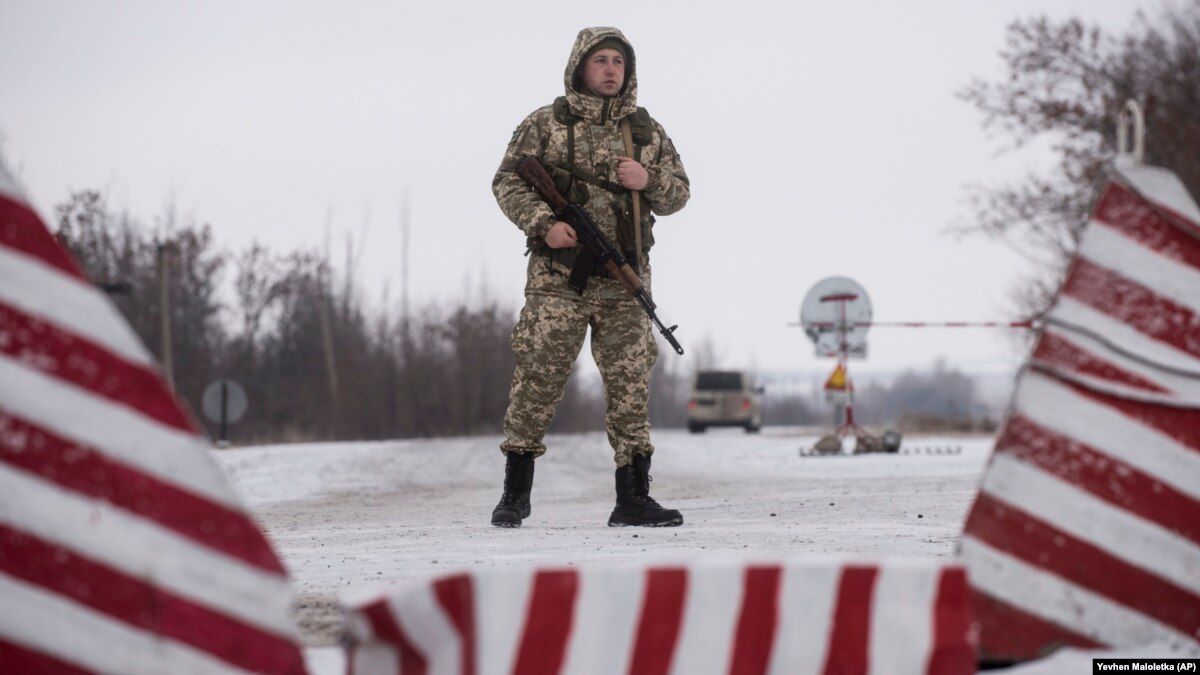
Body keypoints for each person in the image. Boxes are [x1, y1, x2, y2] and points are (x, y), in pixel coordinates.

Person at [490, 27, 690, 528]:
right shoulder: (546, 123)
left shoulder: (647, 133)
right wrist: (544, 225)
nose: (609, 70)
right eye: (600, 60)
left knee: (629, 386)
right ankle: (515, 493)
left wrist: (649, 180)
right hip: (558, 279)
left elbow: (679, 193)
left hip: (624, 281)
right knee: (538, 377)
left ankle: (632, 499)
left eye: (617, 62)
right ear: (581, 65)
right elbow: (507, 180)